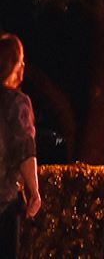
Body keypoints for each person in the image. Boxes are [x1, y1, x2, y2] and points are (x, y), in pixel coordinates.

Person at [0, 35, 41, 259]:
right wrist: (34, 192)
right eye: (21, 60)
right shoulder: (17, 103)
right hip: (4, 205)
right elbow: (25, 147)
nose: (24, 66)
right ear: (14, 66)